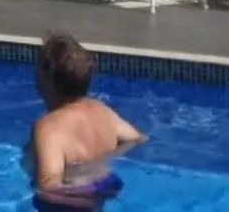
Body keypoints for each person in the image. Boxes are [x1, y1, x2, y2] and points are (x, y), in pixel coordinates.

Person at [27, 35, 145, 209]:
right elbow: (137, 138)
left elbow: (48, 188)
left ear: (47, 76)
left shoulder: (47, 128)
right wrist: (101, 160)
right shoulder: (101, 109)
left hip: (74, 200)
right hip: (106, 183)